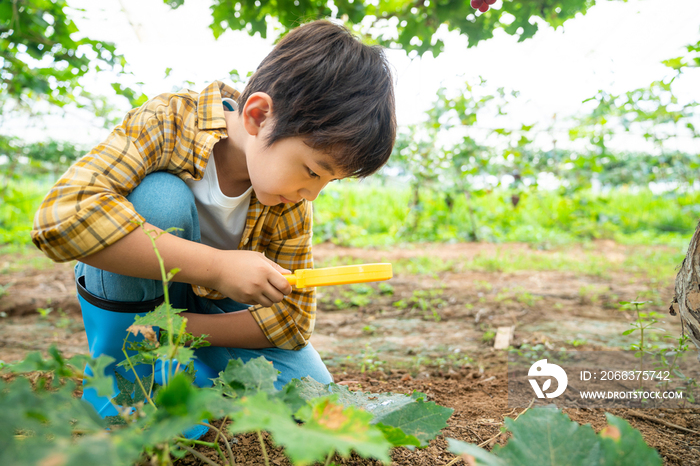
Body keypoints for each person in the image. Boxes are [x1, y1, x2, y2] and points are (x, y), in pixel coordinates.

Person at [31, 19, 396, 437]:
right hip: (131, 300)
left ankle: (186, 371)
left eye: (327, 183)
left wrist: (181, 329)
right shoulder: (169, 122)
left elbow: (292, 320)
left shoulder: (288, 201)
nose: (311, 194)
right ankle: (124, 384)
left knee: (314, 401)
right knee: (160, 198)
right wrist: (218, 268)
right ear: (259, 116)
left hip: (197, 315)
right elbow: (59, 219)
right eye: (313, 171)